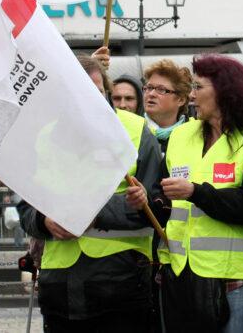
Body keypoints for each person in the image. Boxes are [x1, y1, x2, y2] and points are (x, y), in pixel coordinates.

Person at [18, 55, 164, 332]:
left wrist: (90, 214)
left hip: (121, 283)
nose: (89, 100)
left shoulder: (135, 131)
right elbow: (26, 206)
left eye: (96, 92)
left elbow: (156, 204)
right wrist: (44, 221)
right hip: (59, 287)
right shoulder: (43, 135)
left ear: (106, 91)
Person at [158, 55, 243, 333]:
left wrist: (196, 192)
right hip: (180, 275)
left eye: (198, 87)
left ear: (225, 92)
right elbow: (163, 195)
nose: (191, 95)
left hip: (233, 280)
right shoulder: (180, 135)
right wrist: (148, 199)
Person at [142, 59, 192, 156]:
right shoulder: (133, 129)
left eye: (161, 90)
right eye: (149, 88)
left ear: (181, 100)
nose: (151, 94)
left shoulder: (195, 133)